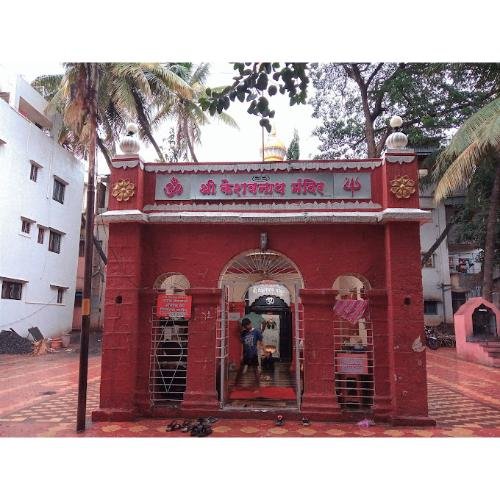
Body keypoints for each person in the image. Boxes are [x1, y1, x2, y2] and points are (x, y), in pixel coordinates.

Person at [235, 318, 263, 387]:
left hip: (253, 354)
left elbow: (261, 341)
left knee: (255, 370)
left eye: (247, 325)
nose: (247, 327)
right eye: (245, 326)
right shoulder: (243, 333)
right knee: (240, 370)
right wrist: (241, 355)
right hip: (246, 354)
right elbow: (242, 342)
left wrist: (263, 351)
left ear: (250, 323)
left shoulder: (256, 331)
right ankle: (236, 385)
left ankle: (257, 387)